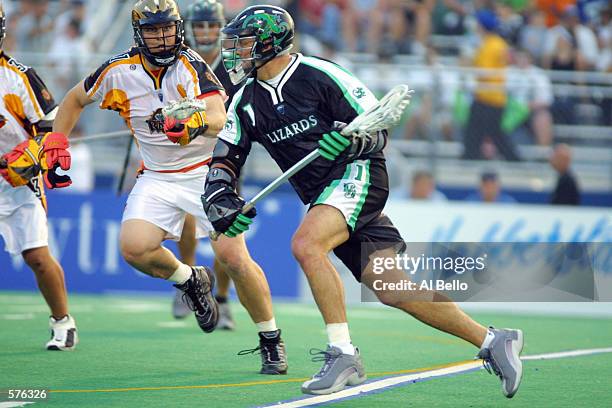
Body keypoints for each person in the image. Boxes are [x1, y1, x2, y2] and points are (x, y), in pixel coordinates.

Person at [202, 4, 523, 397]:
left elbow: (378, 126)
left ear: (271, 42)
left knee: (306, 245)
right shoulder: (245, 101)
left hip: (359, 173)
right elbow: (225, 159)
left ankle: (342, 353)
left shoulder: (319, 74)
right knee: (392, 288)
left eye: (246, 42)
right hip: (323, 195)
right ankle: (493, 341)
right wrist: (220, 200)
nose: (237, 51)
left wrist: (353, 138)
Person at [51, 0, 287, 375]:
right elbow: (75, 98)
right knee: (134, 248)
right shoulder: (118, 69)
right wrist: (57, 141)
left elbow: (218, 116)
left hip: (206, 174)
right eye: (153, 30)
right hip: (158, 175)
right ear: (138, 34)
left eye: (167, 28)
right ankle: (191, 279)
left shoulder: (192, 63)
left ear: (178, 27)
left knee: (235, 258)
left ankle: (270, 340)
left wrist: (193, 123)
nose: (162, 38)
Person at [0, 0, 78, 351]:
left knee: (36, 256)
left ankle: (63, 321)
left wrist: (33, 154)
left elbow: (51, 125)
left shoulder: (18, 78)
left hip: (16, 181)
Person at [171, 0, 242, 330]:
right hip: (187, 152)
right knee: (185, 219)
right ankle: (189, 285)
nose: (204, 32)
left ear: (220, 27)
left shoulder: (233, 64)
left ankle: (224, 298)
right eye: (199, 26)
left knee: (223, 226)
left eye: (210, 25)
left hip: (225, 152)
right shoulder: (178, 60)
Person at [463, 9, 520, 161]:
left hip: (490, 97)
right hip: (486, 96)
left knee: (490, 133)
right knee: (476, 131)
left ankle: (514, 160)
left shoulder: (492, 45)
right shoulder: (492, 43)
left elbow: (484, 72)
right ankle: (469, 158)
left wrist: (470, 63)